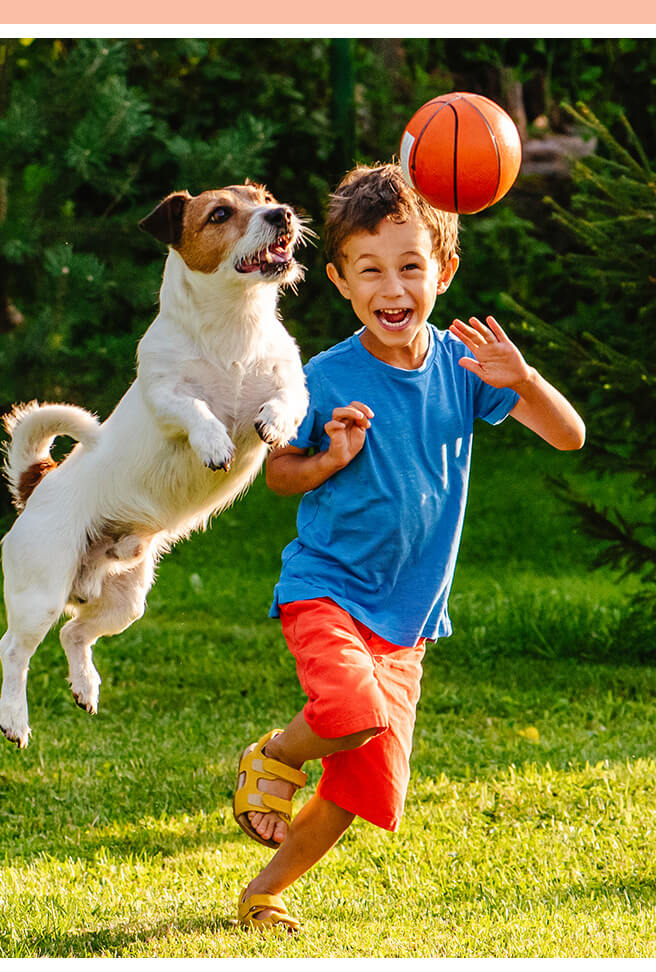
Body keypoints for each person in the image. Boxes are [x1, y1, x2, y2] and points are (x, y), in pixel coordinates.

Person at [232, 163, 585, 933]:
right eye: (371, 270)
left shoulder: (466, 368)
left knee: (362, 789)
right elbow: (279, 475)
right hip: (327, 588)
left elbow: (568, 435)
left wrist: (522, 378)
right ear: (339, 281)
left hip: (406, 620)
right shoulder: (322, 376)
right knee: (349, 712)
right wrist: (327, 458)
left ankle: (265, 891)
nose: (393, 288)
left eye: (411, 266)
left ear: (444, 272)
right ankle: (276, 756)